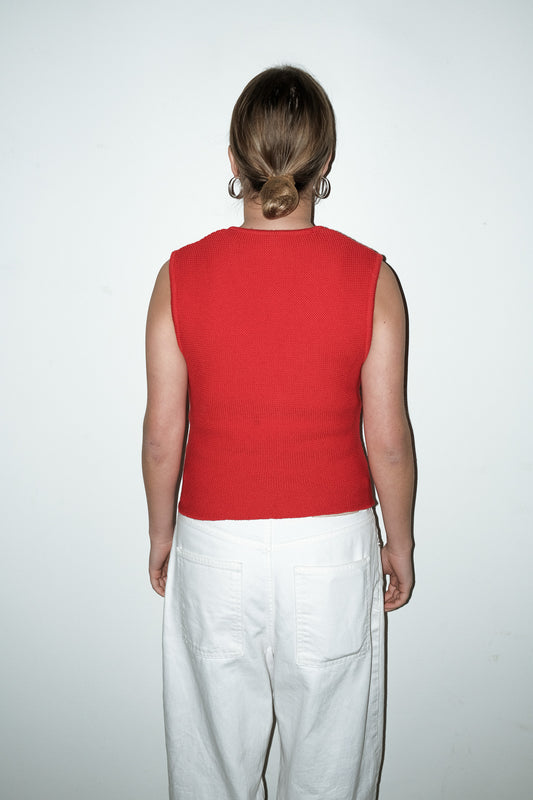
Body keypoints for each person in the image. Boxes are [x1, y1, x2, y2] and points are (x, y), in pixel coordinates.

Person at [142, 65, 415, 800]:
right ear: (325, 162)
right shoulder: (371, 277)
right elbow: (388, 439)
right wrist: (399, 542)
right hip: (332, 551)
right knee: (329, 769)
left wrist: (162, 534)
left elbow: (163, 434)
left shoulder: (180, 275)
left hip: (213, 548)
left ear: (234, 158)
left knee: (210, 769)